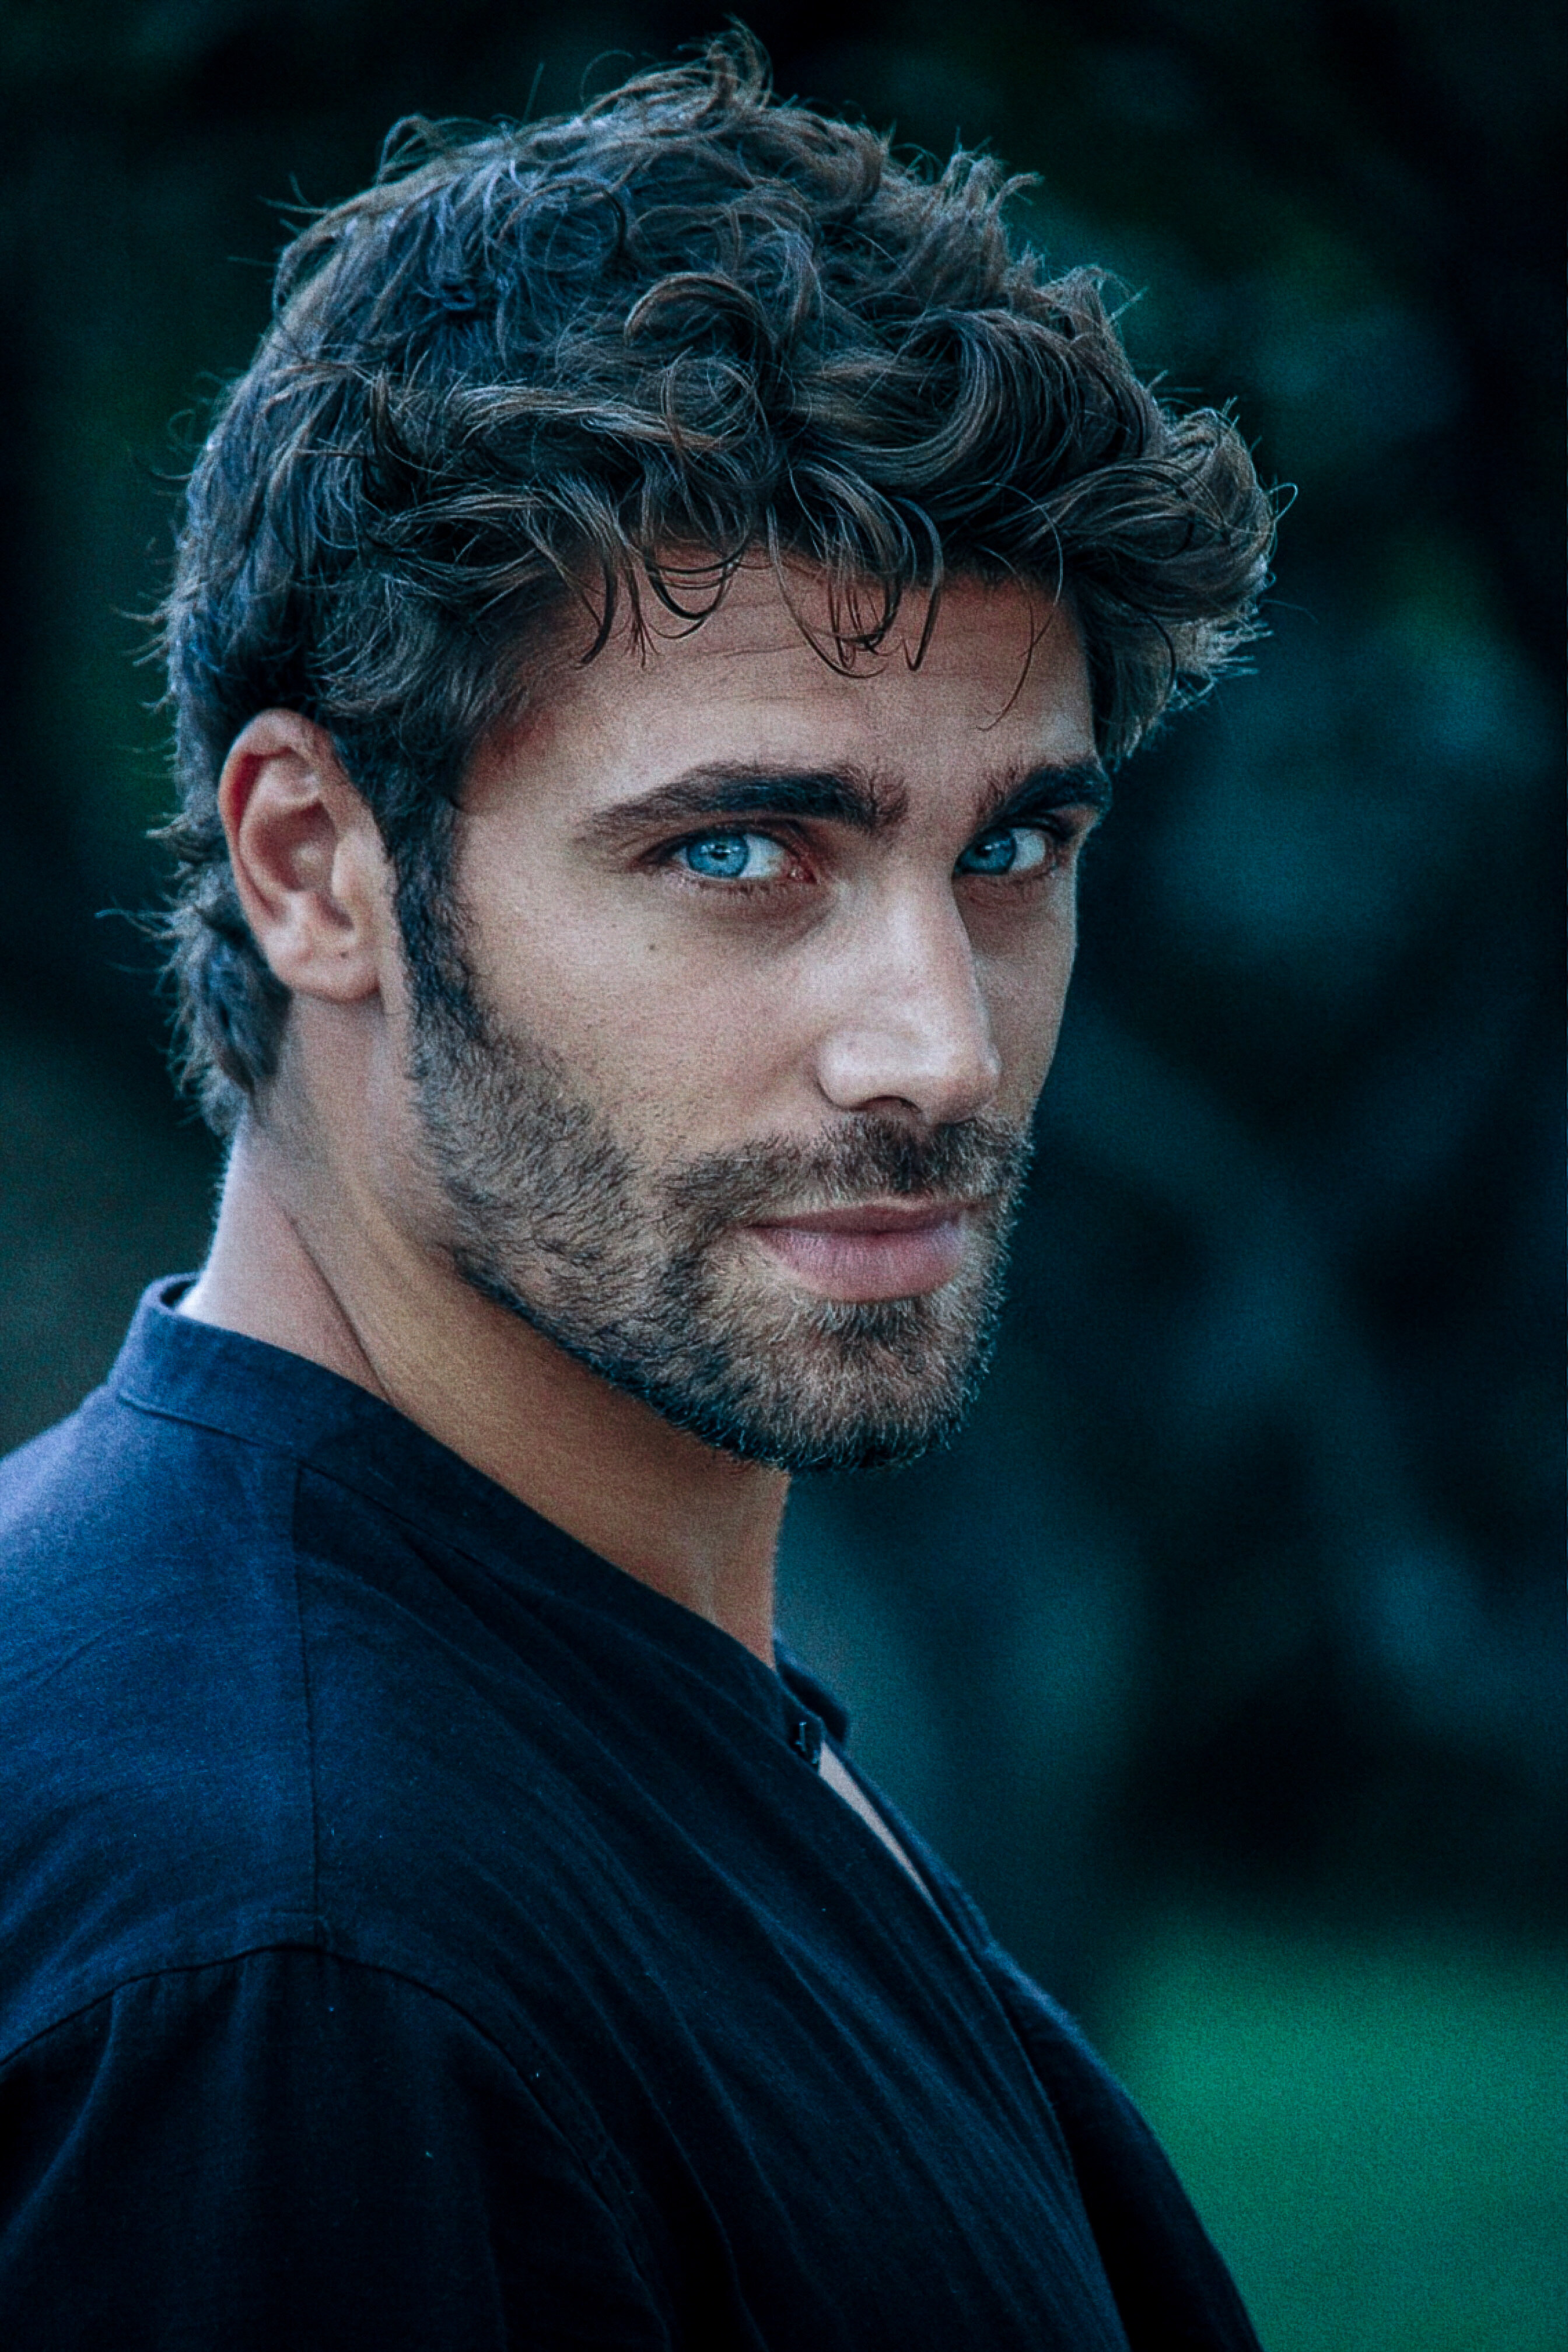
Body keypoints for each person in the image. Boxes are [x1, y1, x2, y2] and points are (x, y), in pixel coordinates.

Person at [0, 38, 1275, 2349]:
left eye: (1009, 845)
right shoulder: (307, 1975)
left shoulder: (560, 1699)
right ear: (318, 867)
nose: (937, 1048)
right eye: (737, 853)